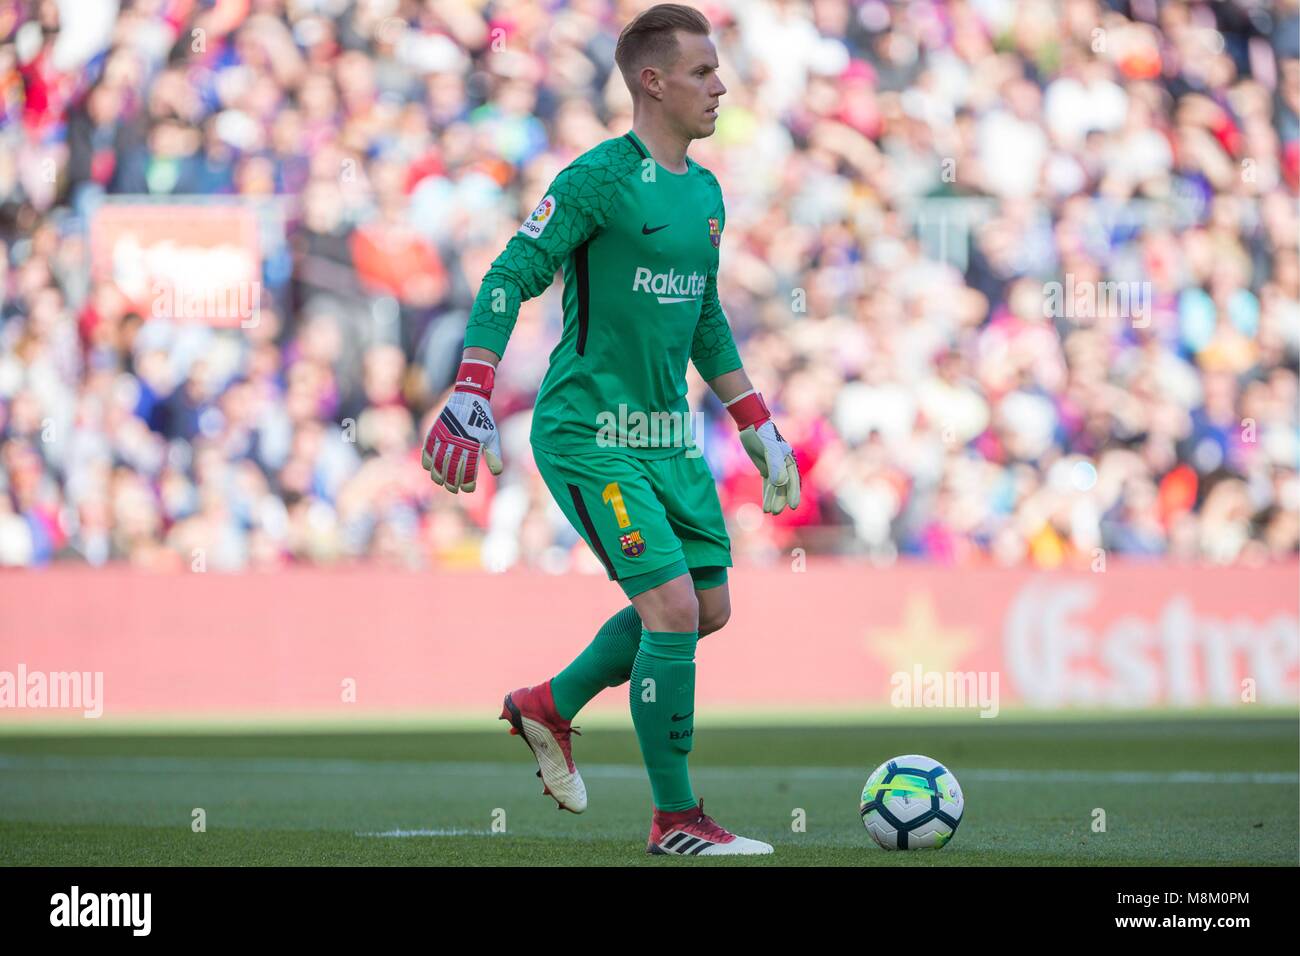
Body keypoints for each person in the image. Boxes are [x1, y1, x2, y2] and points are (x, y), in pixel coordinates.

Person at [420, 4, 799, 856]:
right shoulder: (596, 180)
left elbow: (702, 319)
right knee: (667, 609)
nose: (721, 85)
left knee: (707, 608)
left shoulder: (705, 194)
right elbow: (509, 275)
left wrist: (758, 425)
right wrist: (475, 386)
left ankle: (545, 706)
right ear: (651, 81)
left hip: (667, 437)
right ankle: (676, 820)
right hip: (589, 430)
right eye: (703, 72)